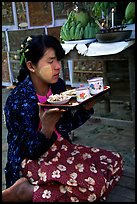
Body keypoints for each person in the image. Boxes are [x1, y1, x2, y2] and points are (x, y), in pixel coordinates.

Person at [2, 34, 123, 202]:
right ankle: (23, 191)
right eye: (50, 61)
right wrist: (46, 129)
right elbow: (27, 151)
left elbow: (66, 125)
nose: (58, 66)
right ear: (31, 66)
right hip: (31, 161)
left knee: (115, 161)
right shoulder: (18, 100)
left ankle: (37, 191)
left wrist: (85, 109)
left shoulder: (57, 87)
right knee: (95, 188)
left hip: (61, 149)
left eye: (58, 60)